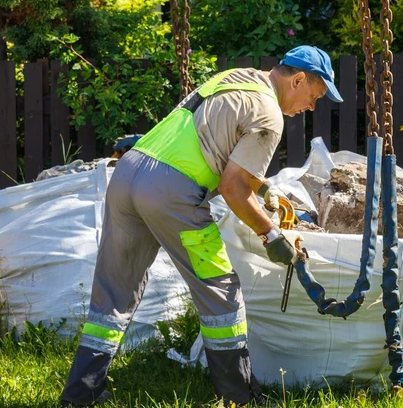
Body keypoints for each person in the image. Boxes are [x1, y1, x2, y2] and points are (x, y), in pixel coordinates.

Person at [61, 45, 344, 407]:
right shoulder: (270, 116)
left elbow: (211, 138)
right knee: (221, 294)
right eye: (315, 96)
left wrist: (265, 185)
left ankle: (80, 396)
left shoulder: (237, 77)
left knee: (114, 293)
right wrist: (271, 235)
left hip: (128, 174)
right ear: (299, 80)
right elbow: (233, 189)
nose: (311, 106)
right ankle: (240, 399)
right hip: (171, 194)